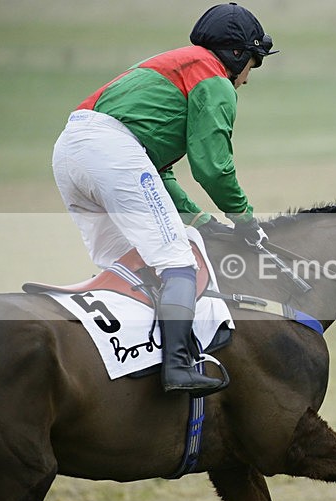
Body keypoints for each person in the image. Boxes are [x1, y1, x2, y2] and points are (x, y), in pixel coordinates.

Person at [51, 3, 276, 397]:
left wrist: (200, 220)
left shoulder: (173, 64)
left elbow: (156, 172)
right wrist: (244, 219)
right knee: (177, 260)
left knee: (127, 266)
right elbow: (213, 166)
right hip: (111, 153)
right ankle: (177, 367)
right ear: (238, 55)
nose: (247, 80)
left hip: (71, 150)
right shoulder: (214, 78)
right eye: (252, 66)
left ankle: (130, 362)